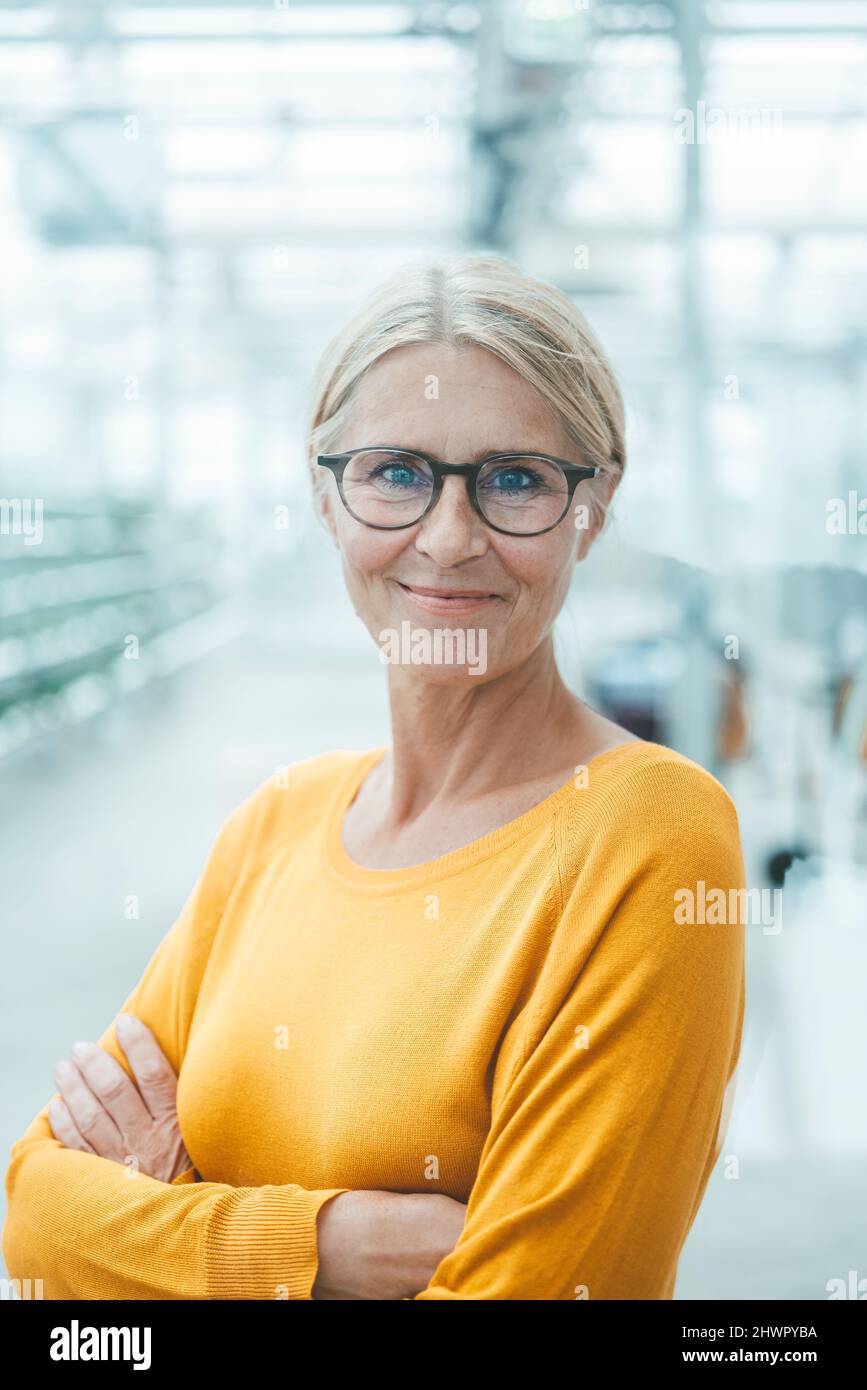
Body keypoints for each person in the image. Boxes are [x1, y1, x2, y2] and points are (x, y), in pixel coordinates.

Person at [3, 254, 746, 1300]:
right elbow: (35, 1211)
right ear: (327, 495)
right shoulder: (278, 823)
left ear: (595, 504)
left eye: (515, 479)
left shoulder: (648, 836)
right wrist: (326, 1251)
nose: (449, 538)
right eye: (396, 472)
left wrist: (163, 1216)